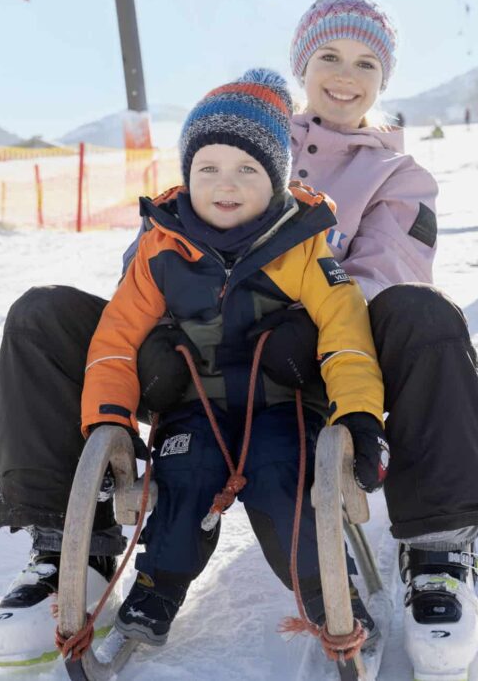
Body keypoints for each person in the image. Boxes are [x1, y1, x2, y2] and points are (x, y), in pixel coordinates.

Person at [0, 0, 478, 680]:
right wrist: (166, 337)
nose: (344, 75)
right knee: (43, 316)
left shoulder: (396, 176)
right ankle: (68, 551)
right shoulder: (237, 128)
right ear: (302, 63)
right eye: (328, 55)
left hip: (310, 363)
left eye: (364, 63)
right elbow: (148, 262)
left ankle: (439, 552)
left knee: (425, 315)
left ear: (384, 79)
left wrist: (294, 318)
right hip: (191, 352)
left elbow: (388, 277)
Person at [79, 68, 388, 647]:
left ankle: (328, 594)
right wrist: (109, 420)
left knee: (286, 483)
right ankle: (158, 586)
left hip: (282, 406)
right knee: (182, 478)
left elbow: (347, 336)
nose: (226, 184)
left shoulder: (302, 245)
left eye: (247, 169)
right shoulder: (161, 248)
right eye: (208, 168)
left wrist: (359, 416)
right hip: (196, 409)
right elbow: (116, 341)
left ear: (275, 180)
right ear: (188, 175)